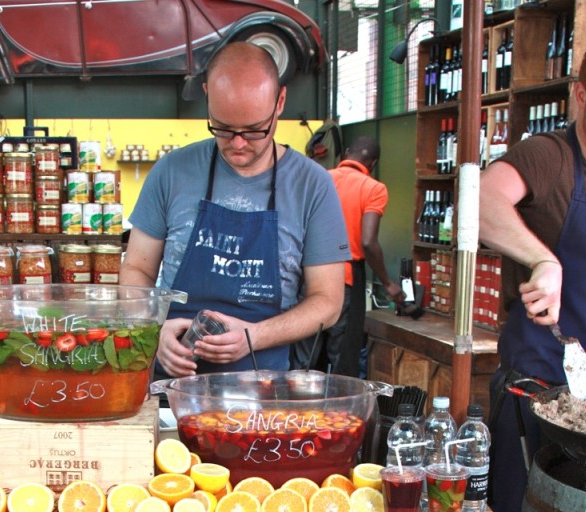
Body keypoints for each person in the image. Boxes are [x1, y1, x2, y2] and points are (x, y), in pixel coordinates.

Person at [120, 42, 349, 378]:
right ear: (207, 95)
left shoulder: (312, 185)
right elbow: (136, 272)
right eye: (223, 128)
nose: (238, 143)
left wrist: (253, 337)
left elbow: (328, 302)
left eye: (255, 130)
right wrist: (155, 330)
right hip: (172, 386)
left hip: (262, 389)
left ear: (280, 102)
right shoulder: (172, 171)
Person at [479, 41, 586, 512]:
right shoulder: (551, 158)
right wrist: (543, 259)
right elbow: (479, 202)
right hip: (540, 400)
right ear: (582, 94)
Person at [292, 136, 404, 376]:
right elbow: (368, 242)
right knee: (341, 359)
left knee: (303, 358)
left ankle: (295, 409)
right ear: (372, 163)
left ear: (345, 154)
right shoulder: (373, 188)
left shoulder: (319, 179)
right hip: (345, 277)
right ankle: (338, 413)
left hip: (307, 273)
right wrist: (388, 283)